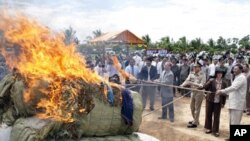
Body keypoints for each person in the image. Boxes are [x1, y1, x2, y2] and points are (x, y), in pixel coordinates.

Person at [216, 64, 247, 140]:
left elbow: (234, 87)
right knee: (232, 122)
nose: (234, 70)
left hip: (237, 104)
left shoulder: (242, 78)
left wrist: (222, 91)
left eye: (236, 69)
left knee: (235, 122)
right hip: (233, 103)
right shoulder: (237, 77)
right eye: (233, 69)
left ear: (240, 69)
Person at [180, 60, 206, 128]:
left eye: (196, 67)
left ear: (200, 68)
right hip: (193, 92)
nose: (194, 68)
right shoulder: (191, 73)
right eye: (194, 67)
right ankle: (195, 119)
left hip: (199, 93)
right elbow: (187, 80)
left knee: (197, 108)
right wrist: (182, 85)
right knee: (192, 107)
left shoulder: (203, 74)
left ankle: (195, 123)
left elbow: (202, 85)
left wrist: (192, 83)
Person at [203, 68, 228, 137]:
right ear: (216, 74)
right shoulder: (212, 81)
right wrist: (208, 81)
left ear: (222, 75)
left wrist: (223, 103)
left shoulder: (224, 83)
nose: (219, 75)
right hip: (210, 100)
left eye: (221, 73)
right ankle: (208, 128)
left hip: (218, 102)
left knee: (217, 116)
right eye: (218, 73)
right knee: (208, 114)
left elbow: (225, 94)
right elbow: (205, 87)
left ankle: (215, 130)